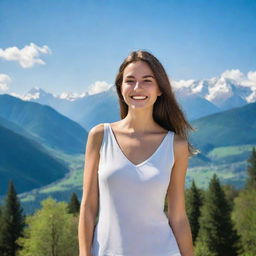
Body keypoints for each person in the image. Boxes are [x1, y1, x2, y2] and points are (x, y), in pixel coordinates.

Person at [78, 50, 197, 256]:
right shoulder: (99, 136)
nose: (137, 88)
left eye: (147, 80)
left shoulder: (176, 145)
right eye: (130, 80)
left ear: (160, 88)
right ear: (120, 88)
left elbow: (177, 216)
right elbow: (88, 208)